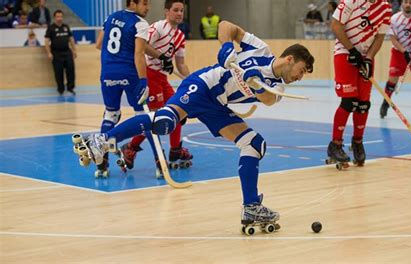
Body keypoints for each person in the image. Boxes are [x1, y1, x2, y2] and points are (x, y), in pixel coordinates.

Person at [76, 20, 314, 228]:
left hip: (217, 105)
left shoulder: (277, 85)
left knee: (254, 144)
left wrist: (256, 85)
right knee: (166, 121)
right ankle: (101, 140)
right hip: (203, 85)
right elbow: (226, 26)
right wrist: (227, 47)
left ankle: (251, 207)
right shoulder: (261, 49)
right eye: (301, 71)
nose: (299, 78)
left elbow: (270, 100)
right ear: (290, 59)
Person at [120, 0, 193, 174]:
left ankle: (175, 149)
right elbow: (142, 46)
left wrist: (193, 82)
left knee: (178, 111)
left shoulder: (181, 36)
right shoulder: (158, 28)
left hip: (162, 78)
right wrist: (161, 58)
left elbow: (180, 64)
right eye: (175, 10)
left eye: (182, 10)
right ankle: (130, 147)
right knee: (153, 118)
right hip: (149, 74)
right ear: (166, 12)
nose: (179, 13)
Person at [327, 0, 391, 167]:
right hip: (345, 53)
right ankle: (335, 144)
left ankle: (357, 142)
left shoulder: (385, 7)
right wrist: (352, 50)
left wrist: (369, 58)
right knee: (349, 102)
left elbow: (379, 37)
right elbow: (335, 25)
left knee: (363, 104)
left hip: (365, 58)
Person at [93, 0, 151, 177]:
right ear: (132, 3)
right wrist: (143, 80)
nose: (147, 7)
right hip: (129, 73)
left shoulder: (111, 17)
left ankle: (102, 162)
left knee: (111, 114)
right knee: (144, 116)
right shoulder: (140, 23)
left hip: (108, 72)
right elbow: (139, 53)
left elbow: (98, 44)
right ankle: (159, 161)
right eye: (144, 3)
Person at [45, 9, 77, 96]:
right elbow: (46, 41)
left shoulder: (66, 27)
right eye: (58, 16)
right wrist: (49, 53)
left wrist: (74, 50)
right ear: (55, 17)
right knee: (58, 72)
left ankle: (70, 88)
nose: (59, 18)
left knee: (70, 71)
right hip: (56, 53)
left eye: (61, 16)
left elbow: (71, 39)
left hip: (67, 52)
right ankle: (61, 89)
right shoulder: (51, 28)